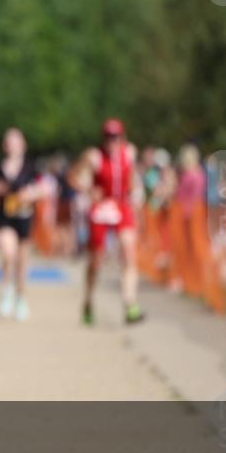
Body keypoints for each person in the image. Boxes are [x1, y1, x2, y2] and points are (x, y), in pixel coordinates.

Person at [80, 118, 146, 325]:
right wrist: (89, 190)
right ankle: (88, 300)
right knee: (96, 260)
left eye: (116, 137)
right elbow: (75, 176)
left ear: (122, 138)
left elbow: (132, 177)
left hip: (121, 205)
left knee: (128, 252)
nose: (112, 142)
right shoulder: (94, 156)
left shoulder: (130, 153)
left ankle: (130, 303)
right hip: (101, 208)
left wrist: (135, 195)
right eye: (108, 137)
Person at [0, 128, 42, 321]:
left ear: (23, 145)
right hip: (4, 217)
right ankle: (6, 291)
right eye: (9, 142)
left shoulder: (31, 166)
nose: (12, 146)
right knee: (7, 253)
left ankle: (21, 297)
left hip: (24, 217)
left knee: (21, 261)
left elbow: (44, 187)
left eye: (16, 142)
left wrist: (30, 194)